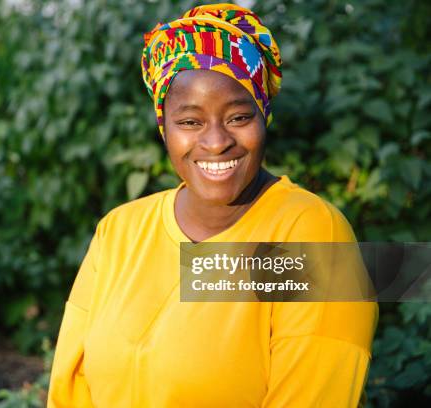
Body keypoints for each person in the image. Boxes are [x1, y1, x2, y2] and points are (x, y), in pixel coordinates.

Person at [48, 3, 378, 407]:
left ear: (264, 117)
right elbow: (72, 389)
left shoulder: (310, 234)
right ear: (163, 128)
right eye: (190, 122)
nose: (216, 141)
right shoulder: (119, 231)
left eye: (238, 117)